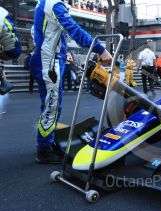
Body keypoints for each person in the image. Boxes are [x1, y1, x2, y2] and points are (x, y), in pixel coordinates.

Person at [30, 0, 112, 164]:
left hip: (48, 60)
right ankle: (44, 150)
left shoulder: (44, 4)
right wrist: (100, 49)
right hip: (48, 62)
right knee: (51, 107)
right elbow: (74, 29)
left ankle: (47, 143)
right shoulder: (54, 4)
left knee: (52, 106)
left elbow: (36, 31)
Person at [0, 6, 22, 95]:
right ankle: (3, 80)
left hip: (12, 49)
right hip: (12, 48)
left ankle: (3, 80)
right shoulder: (3, 12)